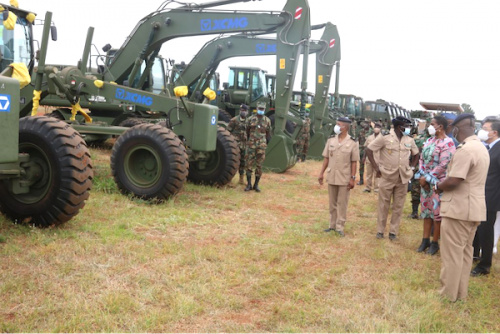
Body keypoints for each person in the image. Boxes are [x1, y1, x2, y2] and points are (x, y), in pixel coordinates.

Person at [435, 113, 489, 302]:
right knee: (465, 254)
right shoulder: (481, 148)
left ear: (458, 129)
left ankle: (447, 295)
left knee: (452, 255)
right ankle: (460, 294)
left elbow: (454, 180)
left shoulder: (465, 150)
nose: (452, 133)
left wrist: (437, 186)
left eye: (453, 129)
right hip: (474, 208)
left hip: (458, 209)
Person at [365, 116, 419, 240]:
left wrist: (411, 168)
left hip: (403, 177)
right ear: (400, 127)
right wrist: (376, 168)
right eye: (406, 126)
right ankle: (380, 231)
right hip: (387, 176)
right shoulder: (384, 137)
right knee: (383, 204)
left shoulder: (409, 139)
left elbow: (416, 154)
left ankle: (393, 232)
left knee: (398, 206)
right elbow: (369, 150)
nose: (408, 129)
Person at [414, 115, 456, 255]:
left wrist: (427, 178)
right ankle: (425, 240)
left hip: (438, 184)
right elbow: (421, 159)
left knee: (437, 214)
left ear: (440, 127)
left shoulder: (448, 143)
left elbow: (444, 164)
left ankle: (435, 243)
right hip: (424, 182)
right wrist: (422, 175)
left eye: (432, 124)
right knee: (426, 212)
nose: (430, 126)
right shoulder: (429, 140)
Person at [318, 117, 359, 237]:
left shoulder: (352, 142)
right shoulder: (331, 140)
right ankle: (332, 225)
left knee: (342, 203)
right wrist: (321, 173)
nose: (336, 126)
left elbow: (354, 162)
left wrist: (352, 178)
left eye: (338, 124)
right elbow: (326, 158)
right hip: (332, 175)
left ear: (345, 127)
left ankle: (340, 227)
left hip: (344, 177)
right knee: (332, 203)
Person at [471, 118, 500, 276]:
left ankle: (485, 264)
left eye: (485, 128)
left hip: (492, 197)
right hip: (479, 195)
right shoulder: (485, 147)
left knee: (486, 231)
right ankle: (474, 254)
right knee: (476, 227)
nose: (481, 130)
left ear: (494, 132)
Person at [244, 104, 271, 192]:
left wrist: (264, 143)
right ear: (256, 109)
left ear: (264, 109)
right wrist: (250, 140)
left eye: (262, 109)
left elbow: (268, 133)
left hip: (261, 147)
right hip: (251, 145)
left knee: (259, 166)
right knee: (249, 165)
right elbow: (247, 131)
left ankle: (256, 185)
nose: (261, 110)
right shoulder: (250, 119)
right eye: (260, 108)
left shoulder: (267, 120)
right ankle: (249, 184)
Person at [227, 104, 249, 184]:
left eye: (244, 111)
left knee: (243, 162)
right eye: (242, 110)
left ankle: (241, 179)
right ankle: (229, 179)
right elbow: (228, 132)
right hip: (235, 145)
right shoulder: (234, 120)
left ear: (247, 112)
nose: (243, 112)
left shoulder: (248, 121)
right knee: (233, 162)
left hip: (244, 145)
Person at [363, 122, 382, 193]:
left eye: (378, 127)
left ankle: (377, 188)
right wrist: (364, 157)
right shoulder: (369, 137)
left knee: (377, 174)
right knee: (369, 173)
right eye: (375, 127)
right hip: (369, 159)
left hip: (378, 159)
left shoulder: (382, 138)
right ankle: (368, 187)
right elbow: (366, 148)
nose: (376, 128)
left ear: (380, 129)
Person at [357, 121, 369, 185]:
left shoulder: (372, 132)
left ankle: (371, 181)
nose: (365, 125)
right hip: (362, 150)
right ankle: (361, 180)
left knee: (371, 166)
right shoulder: (361, 131)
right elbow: (359, 139)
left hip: (370, 151)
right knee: (361, 166)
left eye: (366, 124)